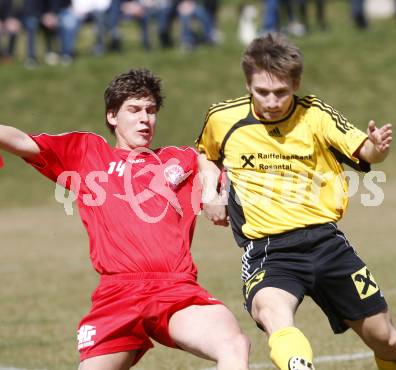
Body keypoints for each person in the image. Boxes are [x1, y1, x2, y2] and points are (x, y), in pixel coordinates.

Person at [0, 68, 250, 370]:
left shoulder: (179, 161)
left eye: (151, 110)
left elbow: (213, 160)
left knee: (234, 345)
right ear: (112, 117)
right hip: (117, 295)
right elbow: (21, 141)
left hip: (174, 290)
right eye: (134, 110)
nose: (145, 118)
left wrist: (214, 193)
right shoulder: (86, 154)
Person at [196, 34, 396, 370]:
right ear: (247, 84)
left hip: (326, 242)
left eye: (281, 92)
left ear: (295, 84)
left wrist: (377, 149)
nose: (271, 101)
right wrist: (211, 193)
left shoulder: (315, 114)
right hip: (269, 250)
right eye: (262, 92)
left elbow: (363, 151)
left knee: (384, 338)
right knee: (272, 313)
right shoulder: (222, 118)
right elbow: (206, 156)